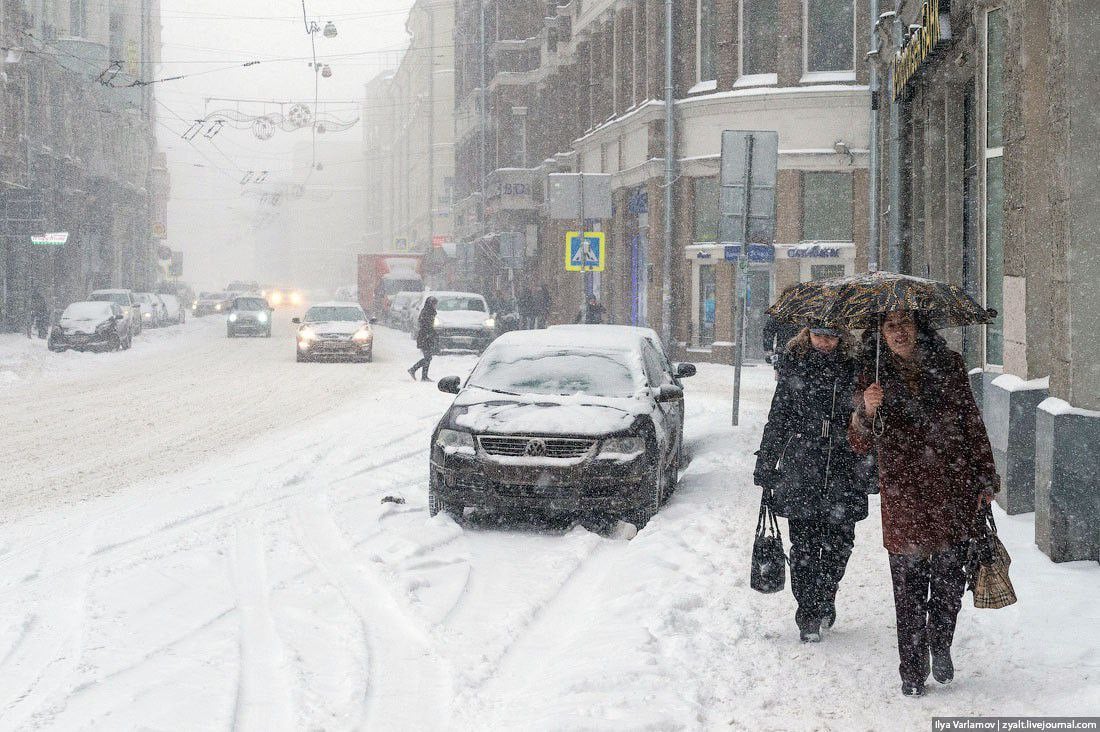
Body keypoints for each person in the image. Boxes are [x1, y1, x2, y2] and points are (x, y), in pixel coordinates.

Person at [850, 310, 999, 698]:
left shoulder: (948, 364)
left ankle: (941, 642)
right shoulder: (872, 372)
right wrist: (867, 410)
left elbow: (970, 420)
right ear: (880, 333)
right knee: (909, 589)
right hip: (904, 494)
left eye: (905, 323)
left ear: (919, 327)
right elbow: (860, 442)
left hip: (952, 487)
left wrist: (985, 474)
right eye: (890, 326)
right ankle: (912, 671)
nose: (899, 332)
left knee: (950, 583)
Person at [754, 322, 868, 643]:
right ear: (808, 333)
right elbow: (778, 418)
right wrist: (766, 462)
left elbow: (868, 419)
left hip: (844, 466)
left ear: (842, 335)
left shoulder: (855, 365)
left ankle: (826, 595)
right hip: (802, 465)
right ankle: (807, 612)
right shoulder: (795, 364)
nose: (825, 343)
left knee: (840, 545)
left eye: (831, 336)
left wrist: (864, 405)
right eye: (818, 335)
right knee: (804, 546)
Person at [408, 296, 438, 382]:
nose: (436, 306)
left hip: (426, 337)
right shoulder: (427, 313)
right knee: (428, 357)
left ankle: (424, 376)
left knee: (428, 357)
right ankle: (413, 370)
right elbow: (426, 326)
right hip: (425, 338)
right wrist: (431, 334)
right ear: (431, 304)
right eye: (435, 304)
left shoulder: (429, 312)